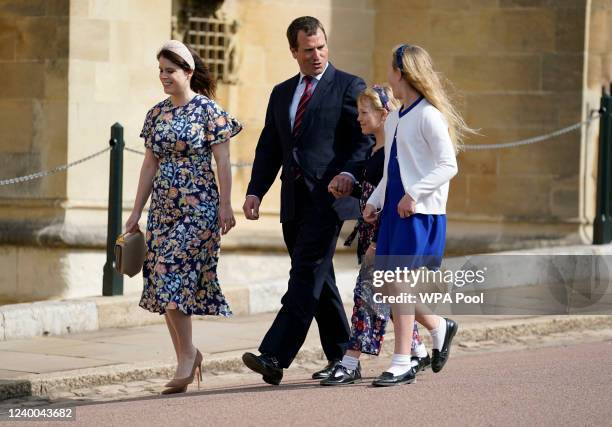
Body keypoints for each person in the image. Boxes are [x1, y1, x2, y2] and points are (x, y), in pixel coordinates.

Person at [241, 16, 372, 385]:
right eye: (308, 50)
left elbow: (362, 141)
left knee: (303, 276)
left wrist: (348, 174)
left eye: (321, 47)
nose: (316, 55)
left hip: (328, 199)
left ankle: (274, 355)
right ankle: (345, 358)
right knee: (320, 280)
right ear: (293, 52)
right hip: (292, 200)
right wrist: (255, 191)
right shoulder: (282, 92)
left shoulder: (349, 86)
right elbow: (269, 146)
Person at [125, 40, 242, 394]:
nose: (163, 76)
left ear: (188, 72)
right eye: (160, 70)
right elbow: (149, 165)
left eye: (170, 70)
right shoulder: (156, 113)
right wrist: (135, 213)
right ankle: (187, 357)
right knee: (161, 282)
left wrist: (226, 205)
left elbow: (223, 161)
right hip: (163, 211)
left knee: (169, 271)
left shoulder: (210, 111)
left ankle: (187, 357)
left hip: (200, 208)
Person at [363, 44, 475, 386]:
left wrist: (415, 194)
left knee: (397, 284)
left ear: (401, 73)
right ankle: (439, 326)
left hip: (419, 211)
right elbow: (390, 170)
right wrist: (376, 201)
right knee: (387, 287)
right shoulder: (396, 117)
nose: (388, 77)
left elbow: (448, 165)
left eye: (390, 71)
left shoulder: (429, 115)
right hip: (396, 210)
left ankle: (403, 360)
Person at [321, 85, 430, 386]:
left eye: (364, 113)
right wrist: (349, 185)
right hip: (371, 231)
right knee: (391, 298)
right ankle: (419, 349)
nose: (359, 119)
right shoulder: (375, 151)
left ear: (384, 115)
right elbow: (371, 190)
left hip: (383, 236)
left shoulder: (393, 154)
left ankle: (349, 361)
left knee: (365, 296)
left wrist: (377, 241)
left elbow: (392, 199)